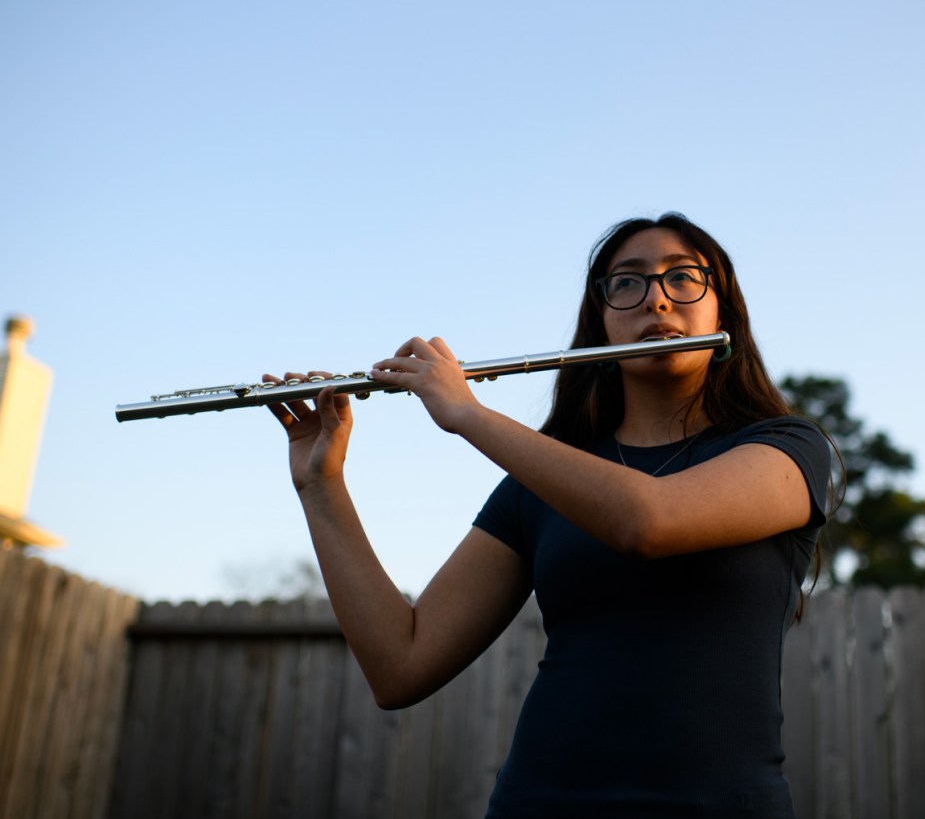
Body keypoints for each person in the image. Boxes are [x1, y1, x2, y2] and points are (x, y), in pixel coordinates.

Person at [266, 212, 831, 817]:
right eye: (628, 282)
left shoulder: (787, 449)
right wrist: (321, 486)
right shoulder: (542, 484)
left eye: (684, 278)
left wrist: (468, 414)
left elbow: (650, 522)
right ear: (601, 323)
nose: (657, 301)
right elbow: (400, 665)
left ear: (724, 313)